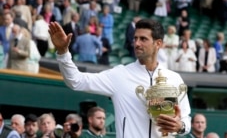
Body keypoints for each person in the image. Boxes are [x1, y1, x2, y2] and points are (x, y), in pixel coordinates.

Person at [48, 19, 191, 138]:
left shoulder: (174, 79)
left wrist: (180, 126)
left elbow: (186, 121)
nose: (137, 43)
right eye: (135, 38)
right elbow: (76, 81)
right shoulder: (120, 75)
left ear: (158, 43)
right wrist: (63, 52)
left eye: (143, 39)